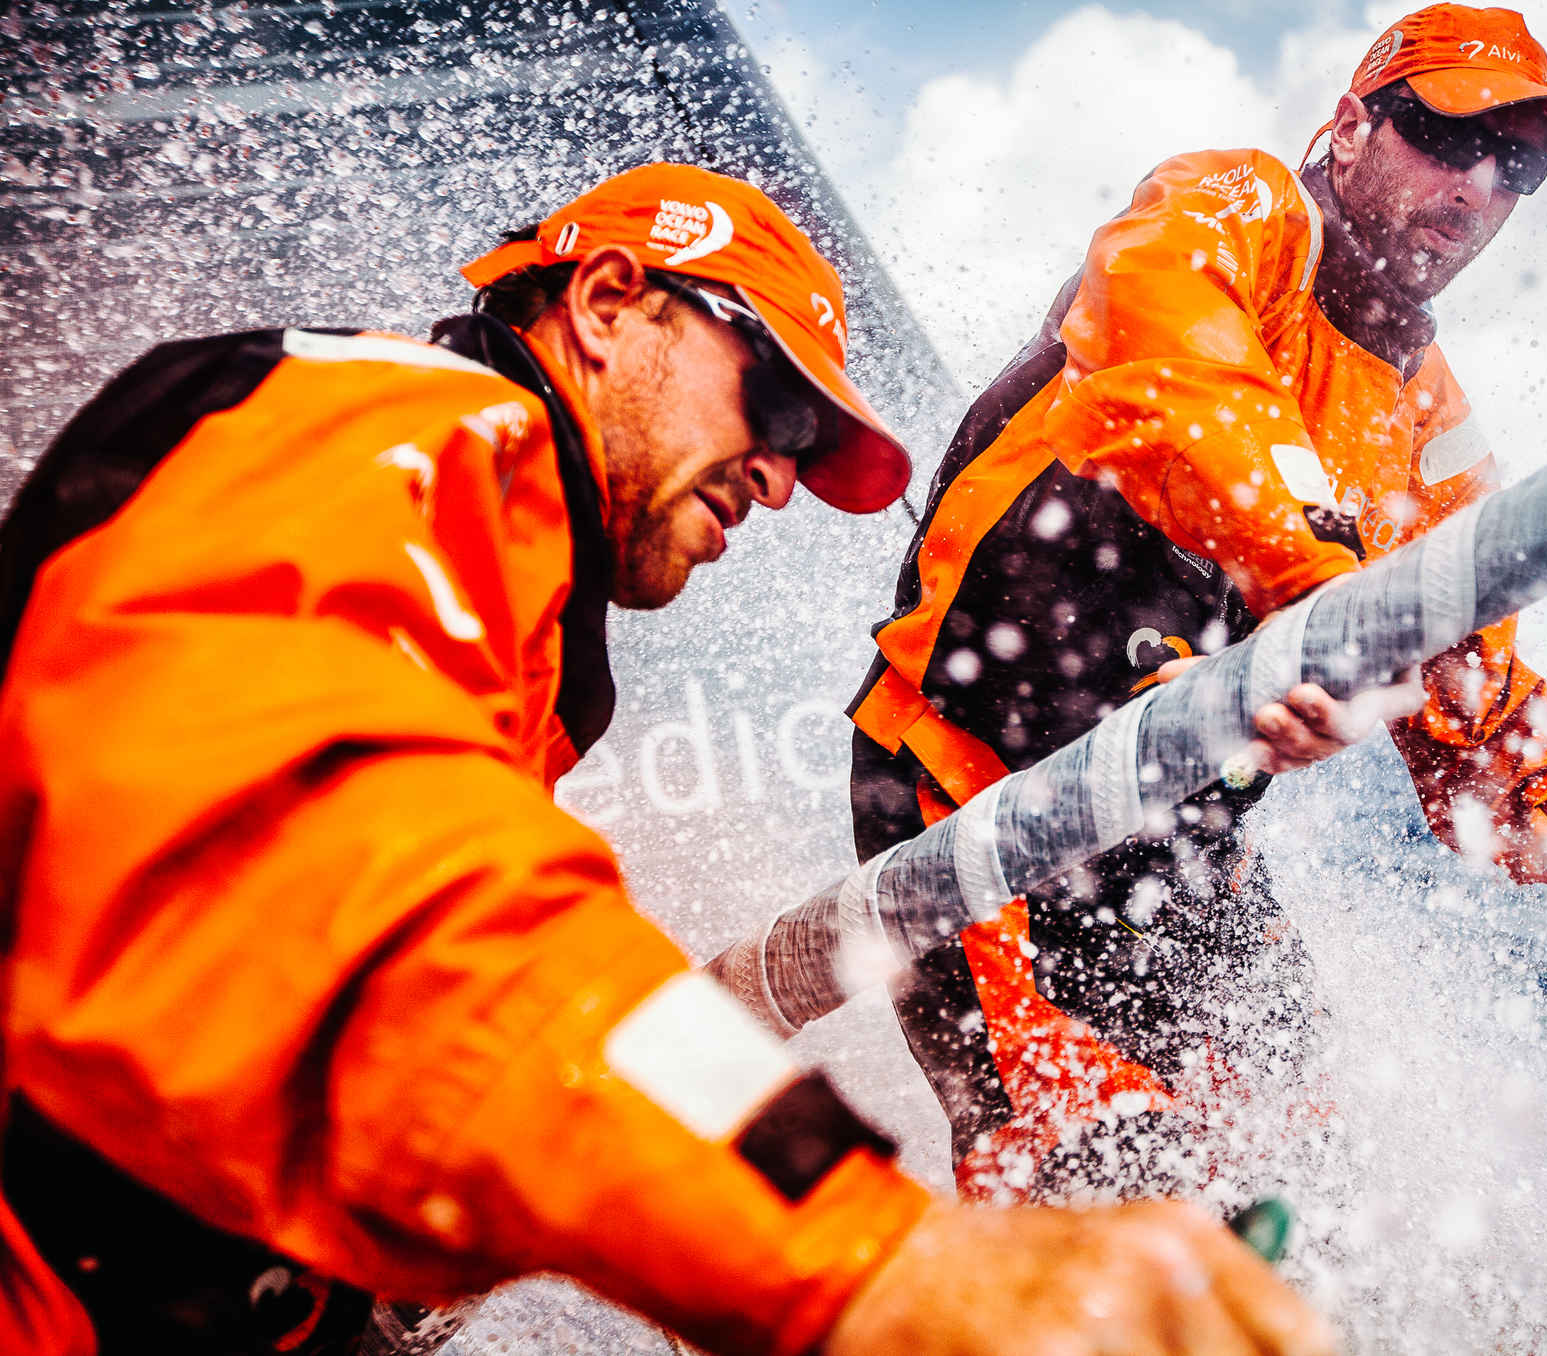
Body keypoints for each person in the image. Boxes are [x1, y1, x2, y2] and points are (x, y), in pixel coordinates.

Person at [0, 163, 1337, 1356]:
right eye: (778, 410)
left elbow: (343, 1004)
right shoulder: (397, 424)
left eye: (804, 457)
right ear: (608, 302)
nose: (777, 481)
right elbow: (394, 901)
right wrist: (855, 1250)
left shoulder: (506, 626)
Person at [846, 3, 1547, 1203]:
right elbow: (1177, 378)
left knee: (1307, 1185)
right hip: (978, 800)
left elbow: (1473, 702)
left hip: (1181, 857)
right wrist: (1322, 595)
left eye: (1516, 165)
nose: (1476, 186)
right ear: (1350, 126)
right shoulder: (1230, 213)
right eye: (1447, 136)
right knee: (1103, 1203)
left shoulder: (1426, 429)